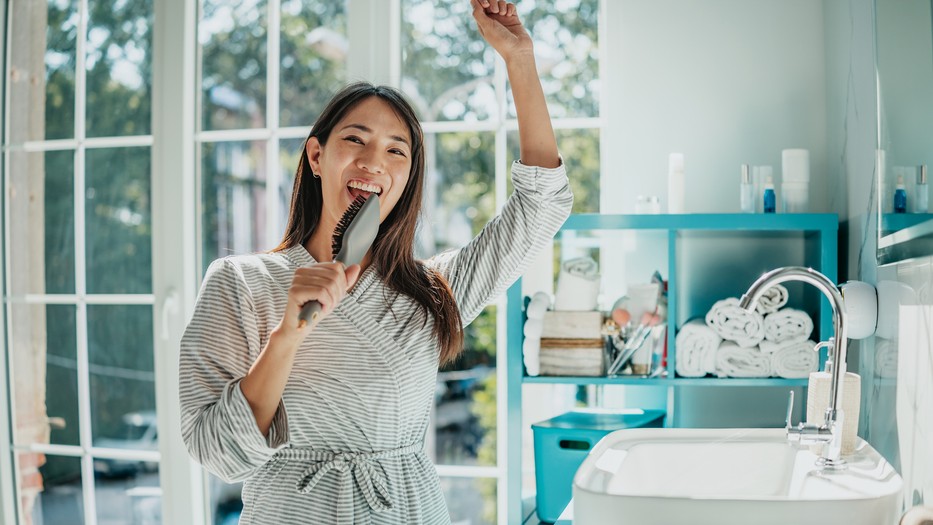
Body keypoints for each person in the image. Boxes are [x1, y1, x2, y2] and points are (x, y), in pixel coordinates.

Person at [179, 1, 572, 523]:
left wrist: (519, 58)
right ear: (317, 157)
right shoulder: (237, 282)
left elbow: (541, 205)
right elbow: (213, 451)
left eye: (396, 151)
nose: (372, 163)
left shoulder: (436, 290)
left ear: (407, 177)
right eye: (355, 140)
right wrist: (288, 334)